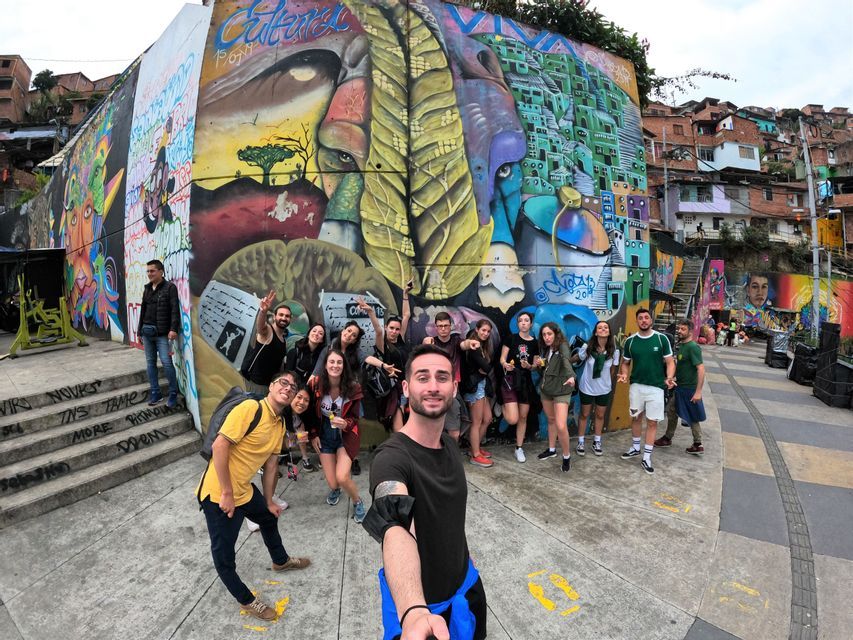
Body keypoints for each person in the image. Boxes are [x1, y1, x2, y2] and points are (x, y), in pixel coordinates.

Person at [363, 344, 487, 640]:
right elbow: (395, 528)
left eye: (442, 377)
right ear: (406, 388)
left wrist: (462, 559)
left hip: (466, 587)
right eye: (422, 377)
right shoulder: (391, 459)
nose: (433, 386)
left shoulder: (450, 445)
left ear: (454, 388)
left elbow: (448, 517)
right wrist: (414, 611)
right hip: (424, 614)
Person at [196, 369, 311, 621]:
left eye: (293, 387)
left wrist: (269, 501)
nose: (288, 388)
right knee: (224, 556)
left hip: (243, 490)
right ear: (271, 386)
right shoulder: (250, 409)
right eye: (283, 382)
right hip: (218, 493)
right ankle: (247, 600)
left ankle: (280, 561)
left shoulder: (279, 423)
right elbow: (219, 446)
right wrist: (227, 493)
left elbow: (271, 465)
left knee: (268, 518)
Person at [307, 348, 368, 523]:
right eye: (331, 362)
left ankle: (357, 501)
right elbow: (308, 412)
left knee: (342, 477)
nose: (335, 365)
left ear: (344, 366)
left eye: (339, 362)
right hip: (324, 434)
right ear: (325, 365)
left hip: (344, 435)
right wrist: (313, 434)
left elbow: (355, 417)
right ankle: (336, 490)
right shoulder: (316, 385)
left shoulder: (353, 387)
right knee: (334, 483)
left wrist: (346, 423)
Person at [617, 308, 675, 474]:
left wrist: (669, 377)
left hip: (656, 388)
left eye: (646, 317)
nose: (643, 320)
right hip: (636, 386)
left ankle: (647, 457)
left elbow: (670, 362)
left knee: (652, 422)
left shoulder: (661, 339)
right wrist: (624, 374)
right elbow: (625, 363)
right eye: (640, 318)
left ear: (651, 320)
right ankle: (636, 448)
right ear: (637, 321)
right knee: (636, 418)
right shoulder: (631, 341)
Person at [311, 320, 366, 475]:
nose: (349, 335)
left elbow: (367, 359)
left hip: (349, 393)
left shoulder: (355, 352)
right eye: (348, 331)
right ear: (343, 330)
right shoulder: (329, 349)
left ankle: (352, 457)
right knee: (329, 422)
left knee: (352, 423)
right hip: (330, 391)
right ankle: (331, 454)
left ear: (355, 340)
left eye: (354, 335)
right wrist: (305, 390)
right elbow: (316, 371)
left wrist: (382, 365)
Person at [358, 286, 412, 433]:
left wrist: (405, 294)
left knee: (407, 422)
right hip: (392, 389)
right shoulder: (382, 344)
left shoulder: (400, 340)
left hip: (407, 385)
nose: (394, 332)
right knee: (398, 422)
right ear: (387, 327)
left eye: (397, 329)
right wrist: (371, 312)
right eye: (391, 328)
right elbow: (378, 330)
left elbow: (406, 315)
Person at [422, 311, 480, 442]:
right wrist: (425, 344)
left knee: (454, 432)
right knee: (434, 429)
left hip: (452, 391)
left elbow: (464, 344)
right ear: (436, 327)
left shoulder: (456, 340)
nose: (443, 329)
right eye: (440, 326)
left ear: (451, 326)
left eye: (446, 326)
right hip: (434, 391)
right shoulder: (431, 342)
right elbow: (423, 349)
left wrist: (470, 342)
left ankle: (451, 453)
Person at [655, 321, 707, 455]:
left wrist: (698, 392)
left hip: (689, 389)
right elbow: (682, 366)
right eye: (679, 328)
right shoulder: (682, 346)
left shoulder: (693, 347)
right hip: (680, 388)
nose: (679, 331)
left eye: (683, 329)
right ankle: (668, 438)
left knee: (692, 416)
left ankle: (698, 443)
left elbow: (701, 369)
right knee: (672, 412)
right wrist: (673, 378)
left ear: (690, 332)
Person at [574, 320, 620, 457]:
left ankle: (597, 441)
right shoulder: (587, 348)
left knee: (600, 415)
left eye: (606, 327)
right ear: (595, 332)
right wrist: (564, 361)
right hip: (587, 387)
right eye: (600, 327)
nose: (603, 329)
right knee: (584, 414)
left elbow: (612, 370)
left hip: (604, 389)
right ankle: (580, 442)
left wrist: (606, 383)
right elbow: (578, 357)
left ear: (609, 332)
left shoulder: (614, 351)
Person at [138, 259, 180, 407]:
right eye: (148, 271)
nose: (149, 274)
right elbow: (143, 311)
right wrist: (139, 331)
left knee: (167, 363)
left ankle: (173, 393)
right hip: (147, 333)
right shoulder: (147, 288)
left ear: (161, 272)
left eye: (152, 271)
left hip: (162, 334)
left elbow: (175, 309)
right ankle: (155, 393)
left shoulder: (170, 288)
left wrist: (173, 329)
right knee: (150, 364)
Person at [499, 311, 539, 463]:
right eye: (520, 320)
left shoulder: (535, 343)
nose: (523, 323)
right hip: (510, 379)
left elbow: (535, 366)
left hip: (525, 382)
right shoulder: (511, 338)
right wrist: (506, 364)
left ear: (531, 324)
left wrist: (529, 366)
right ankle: (501, 405)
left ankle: (519, 448)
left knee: (523, 417)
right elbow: (502, 358)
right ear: (517, 324)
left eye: (526, 320)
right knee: (512, 419)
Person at [536, 322, 576, 473]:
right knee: (551, 420)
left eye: (549, 334)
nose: (546, 337)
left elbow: (566, 361)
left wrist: (572, 376)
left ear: (556, 334)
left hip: (562, 389)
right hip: (547, 390)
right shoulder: (546, 349)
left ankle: (566, 456)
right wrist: (538, 365)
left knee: (560, 425)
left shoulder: (562, 346)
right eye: (544, 335)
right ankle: (552, 450)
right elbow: (546, 369)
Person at [242, 290, 291, 394]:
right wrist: (263, 311)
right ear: (274, 317)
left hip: (269, 387)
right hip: (257, 384)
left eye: (287, 316)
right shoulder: (268, 331)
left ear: (290, 319)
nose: (284, 318)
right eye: (281, 315)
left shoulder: (283, 340)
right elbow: (260, 327)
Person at [461, 319, 494, 468]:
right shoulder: (473, 345)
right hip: (474, 387)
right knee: (477, 422)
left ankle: (474, 448)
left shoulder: (482, 346)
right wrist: (484, 368)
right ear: (477, 329)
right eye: (483, 330)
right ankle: (475, 455)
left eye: (488, 331)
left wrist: (485, 368)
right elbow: (487, 367)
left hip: (481, 385)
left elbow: (487, 367)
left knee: (487, 418)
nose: (486, 334)